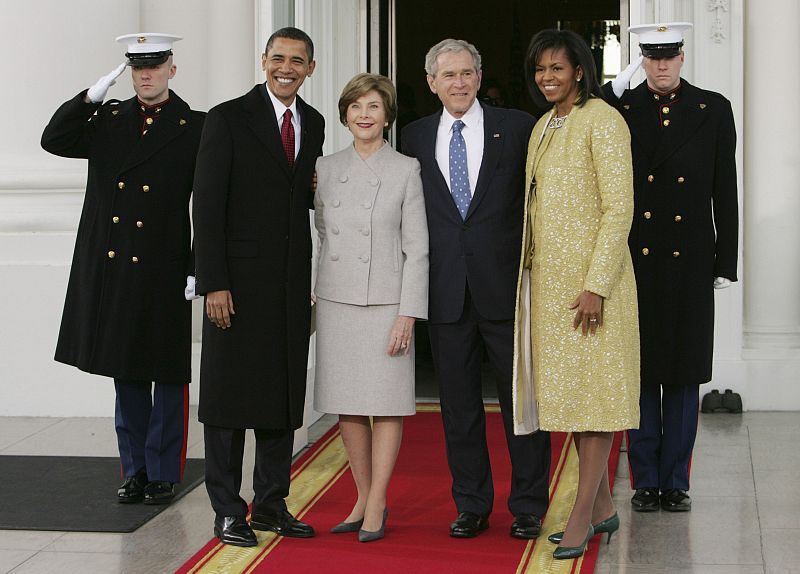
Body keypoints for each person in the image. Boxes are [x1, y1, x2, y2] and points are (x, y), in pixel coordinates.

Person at [41, 34, 204, 506]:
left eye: (154, 66)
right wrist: (90, 96)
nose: (144, 75)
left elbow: (210, 203)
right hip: (115, 265)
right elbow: (54, 140)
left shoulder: (196, 126)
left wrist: (200, 265)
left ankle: (163, 471)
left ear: (173, 68)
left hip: (165, 264)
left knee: (168, 374)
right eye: (137, 68)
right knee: (126, 370)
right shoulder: (107, 120)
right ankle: (134, 469)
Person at [402, 39, 551, 540]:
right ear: (431, 83)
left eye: (467, 73)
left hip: (506, 288)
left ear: (480, 76)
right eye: (448, 75)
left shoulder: (519, 128)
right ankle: (471, 504)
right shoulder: (412, 138)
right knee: (458, 408)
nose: (459, 83)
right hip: (444, 292)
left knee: (521, 405)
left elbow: (542, 202)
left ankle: (528, 504)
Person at [192, 27, 325, 547]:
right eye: (278, 58)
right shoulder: (227, 118)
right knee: (227, 402)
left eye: (297, 60)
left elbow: (300, 198)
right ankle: (228, 509)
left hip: (291, 286)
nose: (286, 67)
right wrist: (214, 284)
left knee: (281, 397)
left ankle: (271, 503)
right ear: (263, 61)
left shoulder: (311, 123)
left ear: (310, 68)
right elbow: (206, 205)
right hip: (236, 287)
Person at [512, 29, 640, 560]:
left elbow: (619, 208)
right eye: (540, 69)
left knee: (595, 404)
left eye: (557, 69)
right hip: (548, 289)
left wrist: (595, 285)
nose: (547, 78)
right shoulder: (544, 125)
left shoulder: (604, 120)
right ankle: (605, 506)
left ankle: (583, 515)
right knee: (570, 401)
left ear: (580, 71)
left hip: (594, 291)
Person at [601, 22, 739, 513]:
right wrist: (612, 87)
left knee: (683, 371)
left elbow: (725, 187)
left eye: (669, 56)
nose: (660, 65)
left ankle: (676, 478)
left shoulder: (714, 108)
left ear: (682, 57)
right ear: (641, 59)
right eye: (651, 57)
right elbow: (585, 116)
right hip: (635, 257)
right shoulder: (621, 107)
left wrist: (727, 259)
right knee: (640, 369)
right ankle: (644, 479)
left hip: (690, 256)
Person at [313, 73, 429, 543]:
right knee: (348, 405)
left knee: (385, 405)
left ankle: (378, 498)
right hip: (337, 299)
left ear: (387, 116)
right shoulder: (324, 166)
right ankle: (360, 496)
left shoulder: (406, 168)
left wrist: (408, 312)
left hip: (387, 302)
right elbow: (321, 234)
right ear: (345, 114)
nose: (364, 114)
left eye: (374, 106)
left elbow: (417, 248)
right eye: (356, 105)